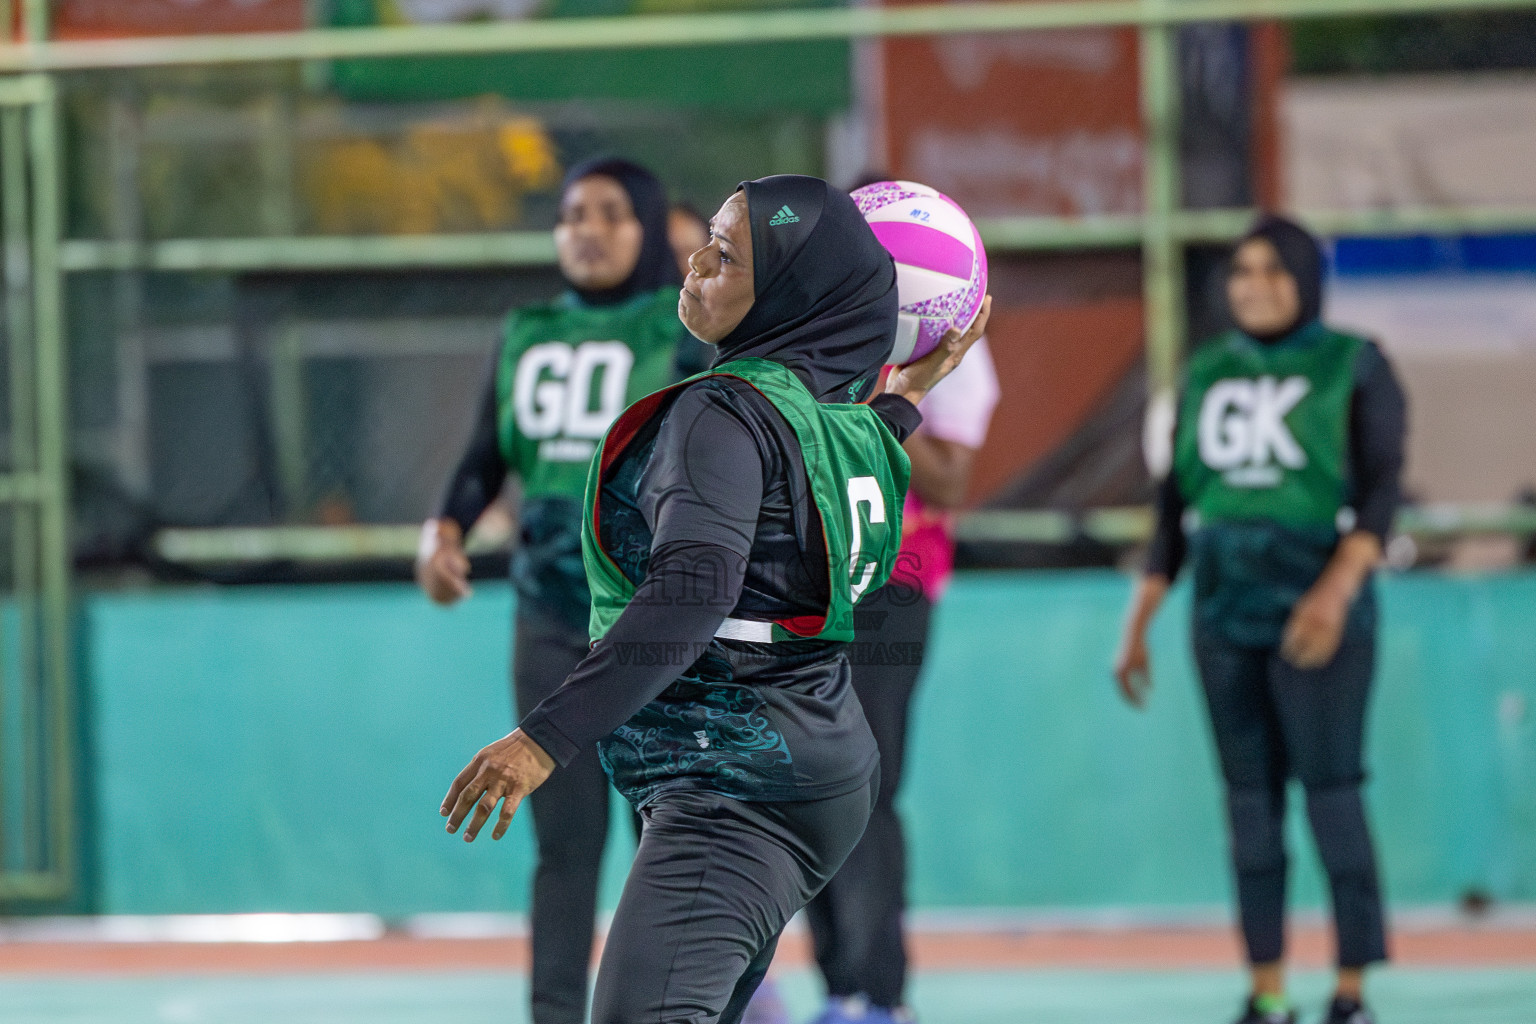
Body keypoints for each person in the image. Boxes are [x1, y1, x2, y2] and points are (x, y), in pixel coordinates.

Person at [440, 174, 992, 1024]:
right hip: (814, 765)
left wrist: (542, 741)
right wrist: (907, 396)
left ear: (786, 294)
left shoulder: (722, 415)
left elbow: (693, 593)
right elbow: (848, 446)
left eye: (726, 254)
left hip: (735, 783)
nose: (694, 262)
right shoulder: (836, 422)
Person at [1113, 215, 1406, 1024]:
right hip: (1223, 611)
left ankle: (1351, 991)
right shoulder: (1207, 370)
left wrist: (1335, 593)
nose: (1255, 287)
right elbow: (1173, 511)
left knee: (1334, 796)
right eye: (1242, 272)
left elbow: (1382, 494)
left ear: (1308, 279)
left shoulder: (1355, 363)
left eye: (1275, 272)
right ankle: (1266, 988)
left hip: (1317, 610)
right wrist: (1139, 621)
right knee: (1249, 810)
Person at [415, 156, 685, 1024]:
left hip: (650, 625)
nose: (588, 230)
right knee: (562, 846)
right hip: (549, 616)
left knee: (667, 841)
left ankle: (676, 1005)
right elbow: (478, 463)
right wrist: (442, 533)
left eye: (611, 213)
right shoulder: (525, 330)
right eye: (572, 214)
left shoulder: (683, 331)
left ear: (648, 227)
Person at [802, 339, 999, 1024]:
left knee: (868, 783)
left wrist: (865, 406)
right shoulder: (804, 322)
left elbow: (948, 480)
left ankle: (884, 994)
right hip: (799, 576)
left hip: (893, 582)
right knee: (802, 781)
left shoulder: (944, 339)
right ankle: (836, 988)